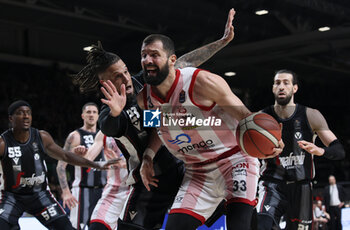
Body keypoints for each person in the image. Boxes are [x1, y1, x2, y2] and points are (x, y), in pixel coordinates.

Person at [73, 8, 239, 230]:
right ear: (105, 84)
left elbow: (181, 62)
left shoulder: (144, 83)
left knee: (235, 207)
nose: (126, 77)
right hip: (149, 182)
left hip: (180, 169)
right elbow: (109, 127)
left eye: (124, 70)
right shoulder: (109, 112)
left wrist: (221, 42)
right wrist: (115, 112)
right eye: (117, 76)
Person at [129, 33, 283, 230]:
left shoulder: (202, 83)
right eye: (143, 55)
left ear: (172, 60)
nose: (147, 60)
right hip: (197, 172)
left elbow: (245, 115)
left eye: (154, 54)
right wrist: (148, 157)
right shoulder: (145, 100)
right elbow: (159, 129)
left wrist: (271, 140)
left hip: (234, 161)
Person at [0, 100, 116, 230]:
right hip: (13, 196)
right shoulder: (3, 143)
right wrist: (66, 191)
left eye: (28, 113)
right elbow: (61, 165)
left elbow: (65, 156)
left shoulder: (41, 137)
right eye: (20, 113)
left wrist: (96, 165)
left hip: (40, 195)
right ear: (11, 118)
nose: (26, 116)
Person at [256, 69, 346, 230]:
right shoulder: (261, 118)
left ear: (295, 88)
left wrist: (320, 151)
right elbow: (247, 151)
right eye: (277, 83)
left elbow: (339, 150)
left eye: (286, 83)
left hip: (302, 186)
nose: (281, 87)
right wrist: (259, 152)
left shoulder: (311, 116)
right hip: (272, 184)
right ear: (273, 88)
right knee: (262, 225)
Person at [56, 102, 108, 230]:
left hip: (103, 190)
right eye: (88, 112)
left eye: (94, 112)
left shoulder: (106, 135)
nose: (91, 115)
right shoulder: (75, 136)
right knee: (79, 226)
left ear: (98, 116)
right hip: (82, 189)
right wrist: (66, 192)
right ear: (82, 115)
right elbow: (60, 166)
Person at [74, 130, 129, 230]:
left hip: (138, 190)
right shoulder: (104, 131)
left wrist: (126, 164)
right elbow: (87, 159)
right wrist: (81, 156)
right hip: (113, 192)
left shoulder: (145, 119)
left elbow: (154, 154)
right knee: (96, 227)